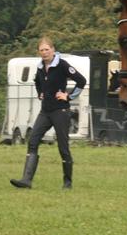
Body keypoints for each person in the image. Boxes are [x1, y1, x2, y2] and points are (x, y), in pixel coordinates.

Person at [10, 37, 86, 189]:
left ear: (52, 49)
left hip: (61, 111)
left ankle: (67, 183)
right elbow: (37, 82)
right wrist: (40, 93)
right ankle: (26, 180)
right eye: (42, 50)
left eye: (47, 49)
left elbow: (81, 81)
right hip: (45, 111)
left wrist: (69, 96)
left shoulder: (62, 65)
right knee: (33, 141)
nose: (44, 53)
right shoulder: (39, 67)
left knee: (63, 147)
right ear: (39, 52)